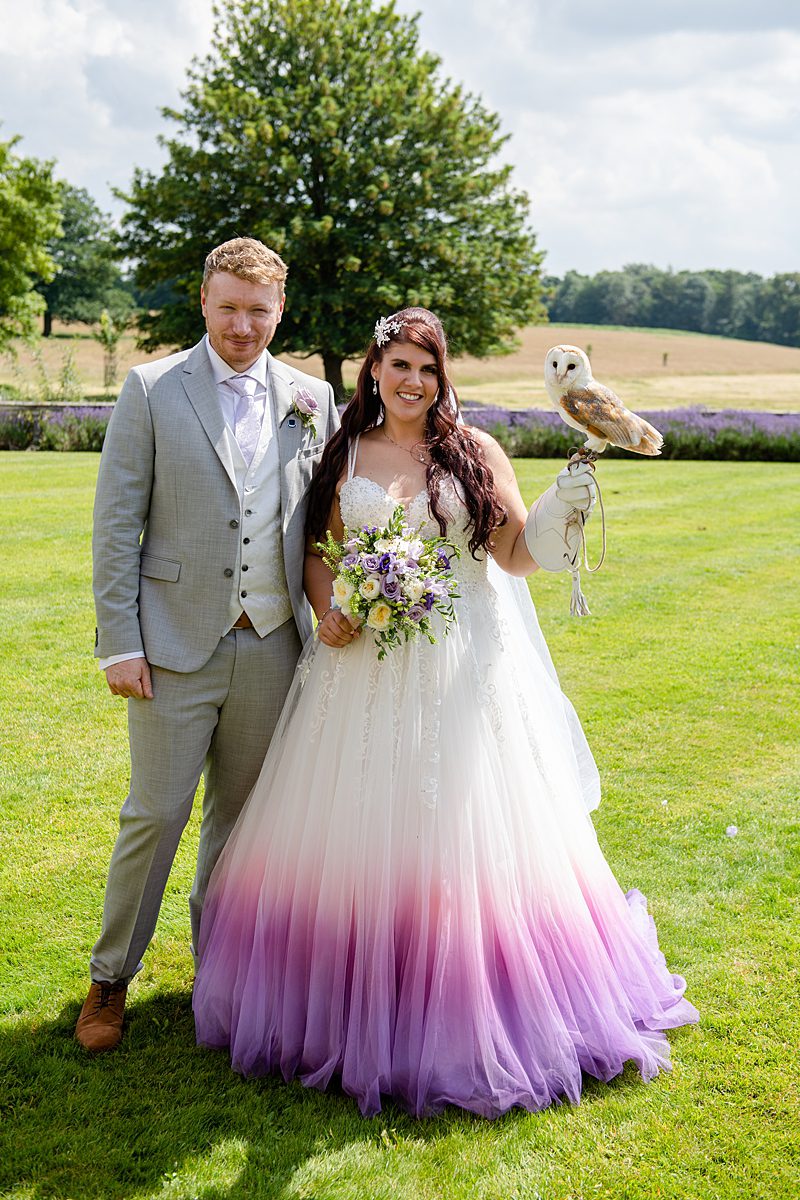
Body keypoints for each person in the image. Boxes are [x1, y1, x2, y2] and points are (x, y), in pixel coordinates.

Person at [192, 307, 698, 1118]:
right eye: (399, 365)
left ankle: (474, 1012)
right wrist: (331, 610)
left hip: (463, 668)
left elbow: (514, 555)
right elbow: (324, 557)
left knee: (462, 830)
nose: (413, 382)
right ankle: (352, 1008)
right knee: (361, 827)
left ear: (442, 376)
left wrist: (564, 506)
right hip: (359, 671)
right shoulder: (345, 452)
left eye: (427, 369)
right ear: (374, 371)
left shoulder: (474, 453)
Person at [75, 237, 340, 1053]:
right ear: (204, 302)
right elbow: (117, 526)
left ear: (279, 312)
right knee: (154, 815)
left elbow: (325, 522)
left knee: (244, 823)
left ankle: (218, 974)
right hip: (170, 646)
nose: (242, 324)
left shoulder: (312, 397)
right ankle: (110, 979)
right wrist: (119, 643)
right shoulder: (151, 389)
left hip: (273, 642)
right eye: (228, 307)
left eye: (258, 311)